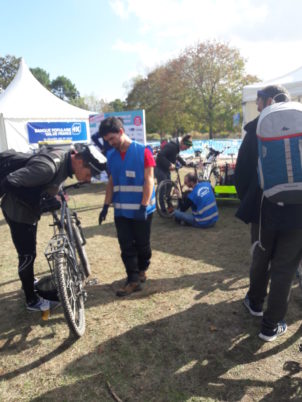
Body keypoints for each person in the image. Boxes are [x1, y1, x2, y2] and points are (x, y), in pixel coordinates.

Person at [0, 144, 107, 311]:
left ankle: (28, 282)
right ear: (79, 161)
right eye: (89, 174)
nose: (88, 179)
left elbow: (47, 183)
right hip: (18, 212)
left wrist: (53, 194)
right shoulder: (48, 168)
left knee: (29, 252)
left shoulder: (65, 160)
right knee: (27, 255)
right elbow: (10, 182)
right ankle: (31, 300)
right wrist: (39, 199)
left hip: (28, 210)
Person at [235, 84, 302, 341]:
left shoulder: (256, 129)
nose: (258, 105)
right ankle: (270, 326)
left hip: (265, 208)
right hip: (299, 211)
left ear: (269, 99)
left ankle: (254, 302)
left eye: (259, 100)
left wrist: (249, 200)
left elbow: (241, 174)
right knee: (285, 268)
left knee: (260, 257)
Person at [98, 117, 156, 297]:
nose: (110, 143)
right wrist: (106, 205)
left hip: (141, 210)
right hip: (121, 210)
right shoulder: (111, 155)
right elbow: (112, 180)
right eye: (107, 140)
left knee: (143, 245)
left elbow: (149, 180)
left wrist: (143, 206)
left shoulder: (143, 152)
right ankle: (133, 280)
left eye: (111, 139)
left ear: (121, 132)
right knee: (126, 246)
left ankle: (142, 269)